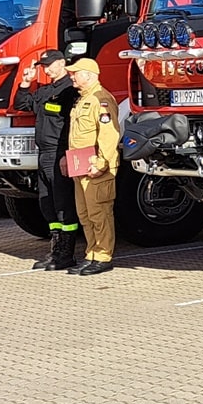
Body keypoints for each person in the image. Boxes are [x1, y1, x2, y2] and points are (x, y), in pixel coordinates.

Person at [14, 51, 81, 271]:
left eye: (50, 64)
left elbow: (73, 126)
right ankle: (55, 251)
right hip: (43, 153)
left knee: (63, 205)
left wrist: (66, 154)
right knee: (47, 204)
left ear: (62, 63)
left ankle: (66, 254)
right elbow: (22, 104)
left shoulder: (70, 90)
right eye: (44, 66)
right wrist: (25, 83)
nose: (47, 69)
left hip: (58, 153)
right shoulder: (45, 91)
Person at [63, 58, 122, 276]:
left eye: (75, 73)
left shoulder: (101, 99)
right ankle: (92, 254)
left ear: (89, 75)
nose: (71, 76)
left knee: (100, 213)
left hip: (96, 168)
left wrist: (102, 163)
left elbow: (109, 135)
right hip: (80, 166)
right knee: (85, 214)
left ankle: (103, 256)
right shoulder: (83, 99)